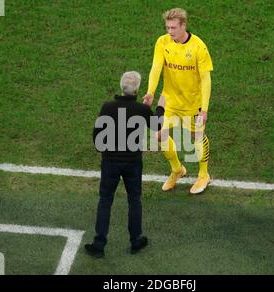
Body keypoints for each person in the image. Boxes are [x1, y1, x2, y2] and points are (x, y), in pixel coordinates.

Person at [85, 71, 164, 258]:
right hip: (133, 163)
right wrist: (160, 107)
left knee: (105, 201)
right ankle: (136, 240)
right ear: (136, 90)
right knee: (134, 200)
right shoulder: (142, 110)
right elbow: (157, 126)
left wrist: (105, 151)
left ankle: (99, 244)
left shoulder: (107, 107)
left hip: (110, 163)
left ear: (122, 88)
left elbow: (97, 137)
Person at [143, 8, 213, 194]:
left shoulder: (198, 47)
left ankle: (204, 175)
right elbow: (156, 68)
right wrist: (150, 92)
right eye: (167, 27)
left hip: (192, 103)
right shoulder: (162, 42)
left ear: (183, 25)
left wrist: (204, 109)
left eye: (173, 27)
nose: (170, 31)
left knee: (196, 137)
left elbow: (206, 80)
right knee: (160, 136)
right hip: (171, 101)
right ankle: (177, 170)